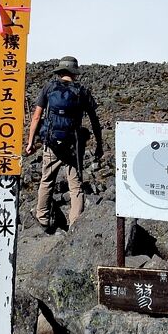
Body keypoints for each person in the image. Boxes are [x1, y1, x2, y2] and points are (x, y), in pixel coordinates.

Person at [26, 56, 103, 231]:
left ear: (60, 72)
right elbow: (94, 120)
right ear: (74, 73)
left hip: (51, 143)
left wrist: (30, 142)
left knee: (47, 180)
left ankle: (43, 218)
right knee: (75, 185)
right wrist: (99, 144)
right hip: (73, 146)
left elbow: (36, 117)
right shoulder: (82, 91)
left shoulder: (49, 88)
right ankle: (75, 224)